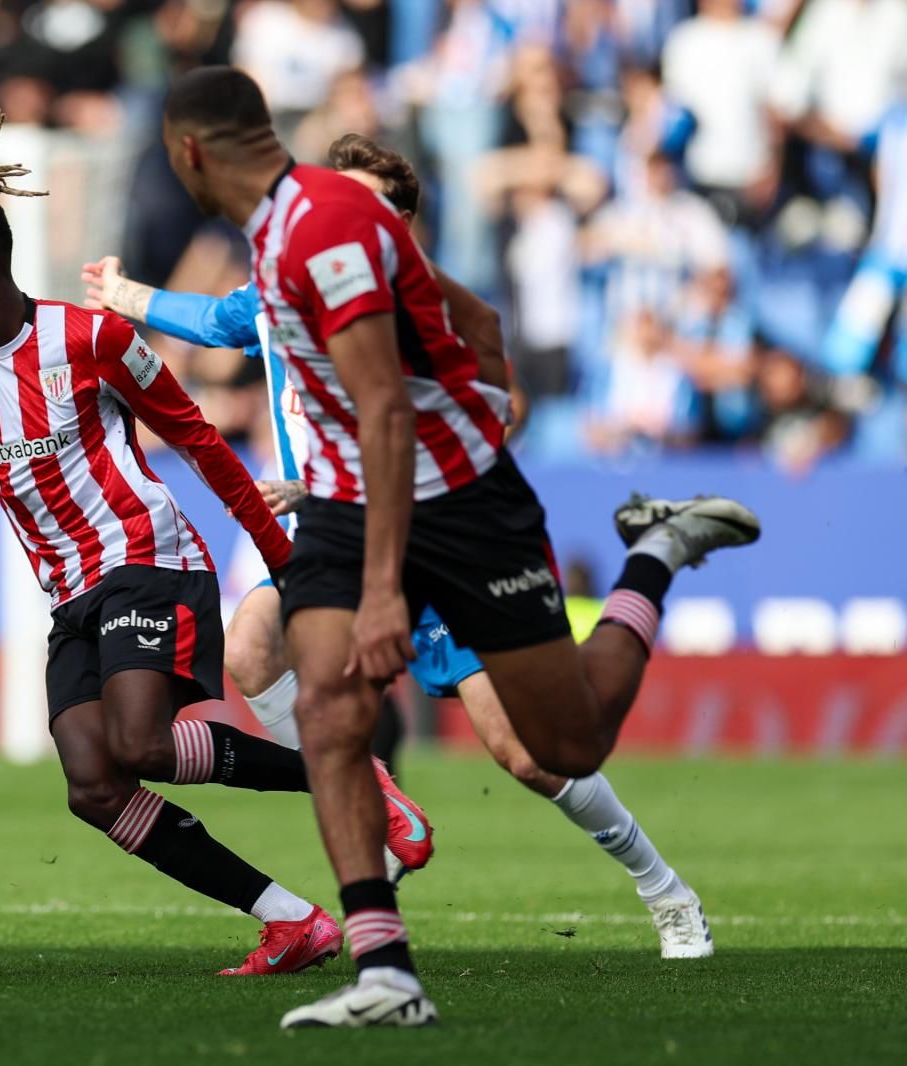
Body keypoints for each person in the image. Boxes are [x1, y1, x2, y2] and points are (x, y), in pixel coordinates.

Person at [161, 67, 760, 1028]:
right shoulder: (277, 239)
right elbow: (457, 334)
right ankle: (384, 966)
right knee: (319, 701)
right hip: (350, 510)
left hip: (454, 506)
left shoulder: (322, 228)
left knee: (554, 747)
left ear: (189, 152)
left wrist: (408, 555)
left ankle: (655, 553)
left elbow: (395, 405)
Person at [0, 111, 429, 977]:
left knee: (143, 744)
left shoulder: (92, 340)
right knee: (94, 784)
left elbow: (201, 441)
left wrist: (282, 556)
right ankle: (291, 920)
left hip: (147, 559)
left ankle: (345, 771)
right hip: (69, 594)